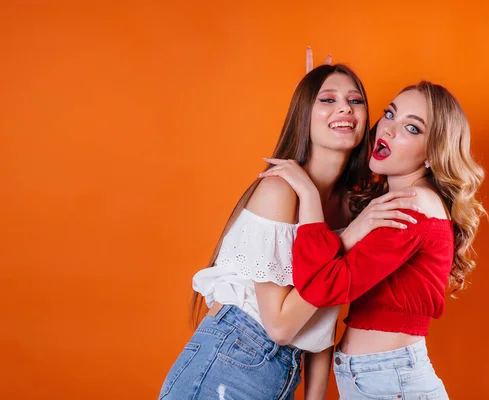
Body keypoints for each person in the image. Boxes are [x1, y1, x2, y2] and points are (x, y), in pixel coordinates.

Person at [158, 63, 418, 400]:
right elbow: (280, 326)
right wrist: (344, 234)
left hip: (283, 374)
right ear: (303, 116)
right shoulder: (280, 192)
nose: (344, 108)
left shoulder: (352, 207)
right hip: (230, 360)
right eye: (327, 99)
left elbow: (323, 322)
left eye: (355, 101)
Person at [261, 80, 486, 399]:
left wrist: (308, 193)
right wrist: (314, 109)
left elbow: (321, 287)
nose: (389, 130)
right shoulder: (391, 201)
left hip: (391, 382)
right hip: (380, 379)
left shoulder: (411, 205)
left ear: (433, 155)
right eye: (390, 114)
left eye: (411, 128)